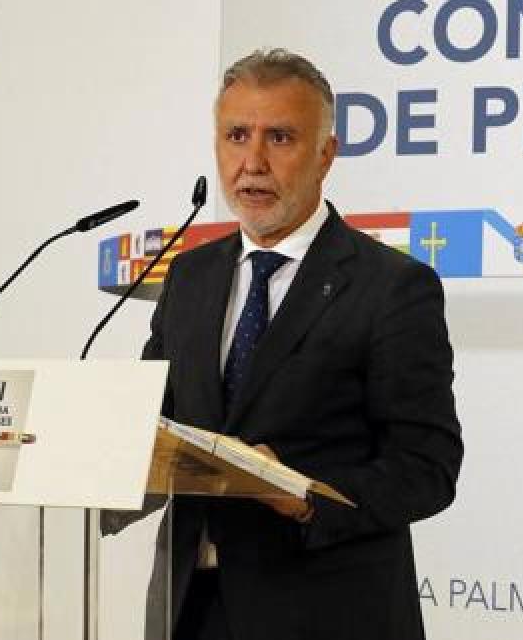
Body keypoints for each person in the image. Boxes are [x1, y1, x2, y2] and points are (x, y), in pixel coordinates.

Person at [140, 48, 463, 640]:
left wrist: (302, 495)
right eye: (237, 135)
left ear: (325, 155)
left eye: (280, 138)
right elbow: (153, 423)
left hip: (328, 613)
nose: (253, 162)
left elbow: (427, 469)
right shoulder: (189, 276)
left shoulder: (390, 287)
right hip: (189, 611)